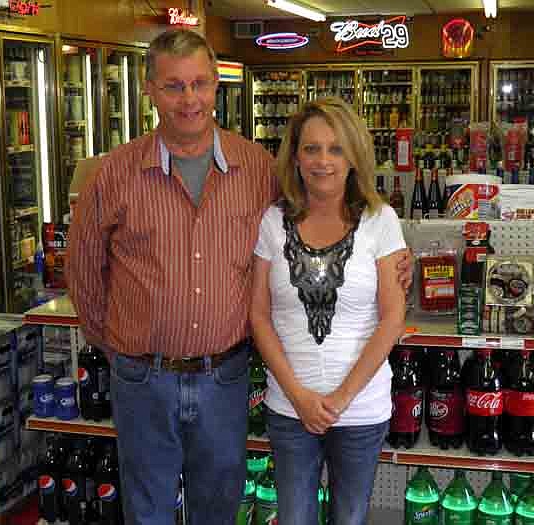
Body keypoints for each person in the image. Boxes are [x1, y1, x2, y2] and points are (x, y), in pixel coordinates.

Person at [67, 29, 411, 525]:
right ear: (149, 90)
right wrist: (123, 348)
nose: (190, 100)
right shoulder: (114, 174)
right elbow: (83, 272)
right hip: (142, 377)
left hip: (223, 377)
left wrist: (405, 259)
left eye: (201, 84)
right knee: (148, 509)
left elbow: (325, 207)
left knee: (219, 505)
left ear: (216, 87)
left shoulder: (257, 169)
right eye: (173, 86)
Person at [250, 97, 407, 525]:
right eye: (311, 148)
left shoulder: (382, 220)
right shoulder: (271, 221)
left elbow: (392, 318)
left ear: (354, 157)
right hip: (289, 408)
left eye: (336, 149)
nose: (323, 160)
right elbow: (259, 316)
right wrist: (300, 398)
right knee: (294, 516)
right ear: (295, 157)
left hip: (360, 409)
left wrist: (339, 399)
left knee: (349, 517)